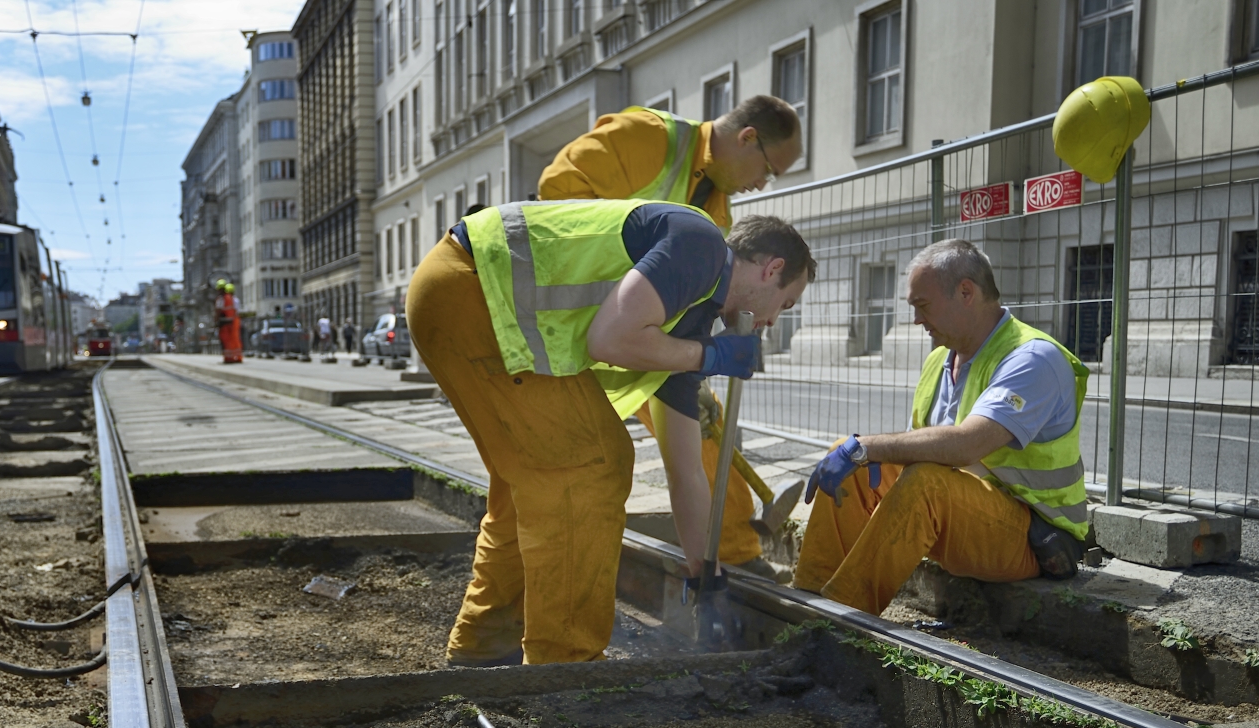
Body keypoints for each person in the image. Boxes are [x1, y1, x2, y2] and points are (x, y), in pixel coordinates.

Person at [408, 199, 814, 666]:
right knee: (592, 466)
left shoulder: (686, 321)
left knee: (533, 483)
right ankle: (566, 665)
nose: (772, 322)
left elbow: (687, 474)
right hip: (475, 291)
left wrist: (707, 569)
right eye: (785, 303)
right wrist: (709, 356)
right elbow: (610, 339)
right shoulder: (701, 245)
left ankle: (484, 648)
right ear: (771, 268)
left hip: (460, 292)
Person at [539, 94, 803, 579]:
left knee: (700, 425)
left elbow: (693, 301)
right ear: (747, 138)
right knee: (569, 468)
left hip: (635, 334)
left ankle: (728, 554)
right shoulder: (649, 137)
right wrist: (638, 283)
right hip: (585, 322)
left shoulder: (717, 214)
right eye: (768, 169)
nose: (762, 184)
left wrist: (693, 360)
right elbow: (559, 194)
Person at [790, 239, 1089, 616]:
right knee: (850, 461)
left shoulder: (1032, 358)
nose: (916, 320)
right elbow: (921, 449)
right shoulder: (938, 361)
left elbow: (965, 445)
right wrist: (856, 452)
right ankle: (808, 601)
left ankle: (836, 621)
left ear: (966, 292)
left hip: (1035, 537)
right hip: (968, 515)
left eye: (922, 305)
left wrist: (867, 446)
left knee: (916, 479)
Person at [214, 280, 243, 363]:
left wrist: (215, 321)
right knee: (234, 340)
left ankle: (228, 358)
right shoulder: (233, 299)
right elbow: (236, 311)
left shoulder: (221, 299)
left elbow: (218, 311)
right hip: (233, 321)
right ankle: (237, 356)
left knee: (226, 340)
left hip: (224, 323)